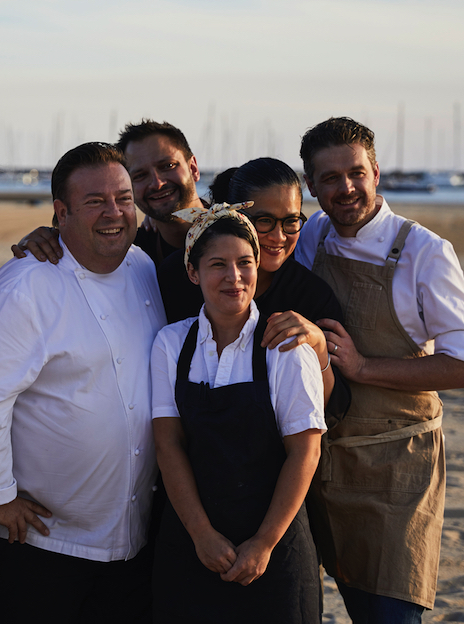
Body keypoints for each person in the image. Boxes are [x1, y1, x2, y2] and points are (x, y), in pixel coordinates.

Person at [0, 142, 166, 623]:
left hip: (128, 542)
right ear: (60, 212)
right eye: (95, 202)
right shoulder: (27, 285)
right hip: (40, 543)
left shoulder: (144, 270)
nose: (114, 213)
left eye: (124, 198)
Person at [295, 117, 464, 622]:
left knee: (389, 613)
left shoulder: (426, 252)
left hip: (396, 474)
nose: (346, 188)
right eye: (330, 178)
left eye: (356, 172)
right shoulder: (309, 235)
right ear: (310, 186)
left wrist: (360, 366)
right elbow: (226, 228)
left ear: (376, 172)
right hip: (320, 469)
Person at [150, 202, 326, 623]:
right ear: (193, 273)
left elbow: (306, 453)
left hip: (276, 551)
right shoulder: (171, 344)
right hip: (192, 547)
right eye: (217, 265)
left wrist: (263, 544)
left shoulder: (286, 346)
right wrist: (201, 535)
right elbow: (168, 444)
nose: (234, 277)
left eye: (245, 263)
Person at [158, 157, 349, 415]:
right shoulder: (175, 276)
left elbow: (333, 408)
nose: (279, 236)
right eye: (264, 220)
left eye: (291, 221)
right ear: (233, 215)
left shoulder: (310, 295)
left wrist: (319, 347)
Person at [11, 118, 205, 266]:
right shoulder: (132, 251)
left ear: (193, 168)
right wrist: (46, 238)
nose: (157, 183)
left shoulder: (232, 224)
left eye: (168, 165)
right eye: (139, 175)